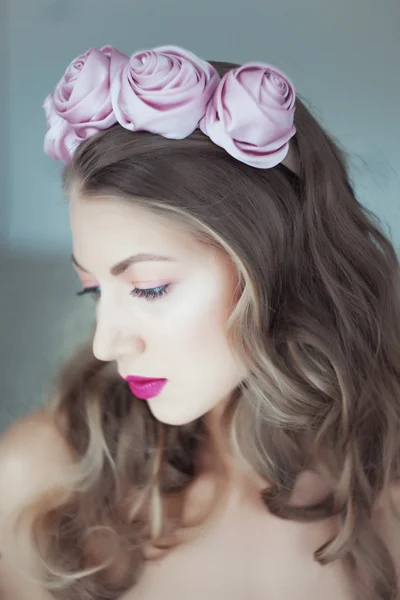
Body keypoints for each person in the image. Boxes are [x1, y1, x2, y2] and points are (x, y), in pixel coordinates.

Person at [0, 44, 400, 600]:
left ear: (275, 267)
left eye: (149, 287)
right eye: (93, 290)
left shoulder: (385, 494)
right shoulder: (38, 478)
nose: (106, 344)